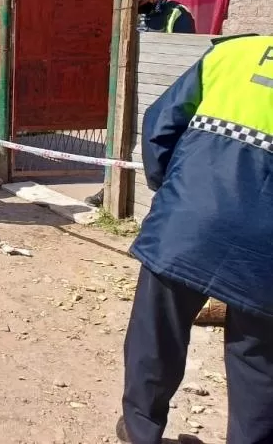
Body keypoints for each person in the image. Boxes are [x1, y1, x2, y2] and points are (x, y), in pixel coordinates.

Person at [116, 34, 273, 444]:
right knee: (260, 363)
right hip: (266, 254)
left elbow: (160, 126)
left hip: (187, 222)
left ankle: (140, 432)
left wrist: (174, 192)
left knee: (156, 335)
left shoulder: (232, 53)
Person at [86, 0, 199, 208]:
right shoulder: (129, 15)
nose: (133, 5)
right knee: (119, 139)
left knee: (159, 144)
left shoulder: (176, 15)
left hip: (162, 92)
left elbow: (185, 55)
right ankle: (109, 189)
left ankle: (162, 199)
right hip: (129, 90)